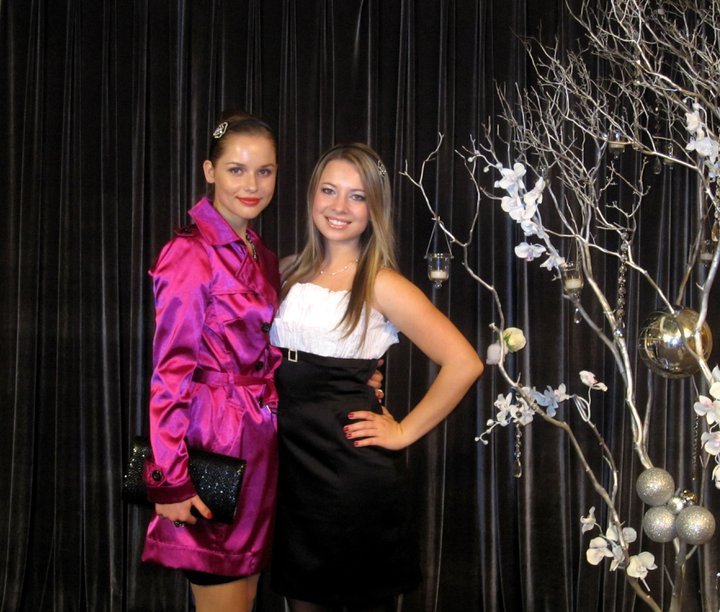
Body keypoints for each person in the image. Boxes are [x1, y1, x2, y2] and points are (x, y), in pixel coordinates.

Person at [270, 143, 485, 612]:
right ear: (311, 195)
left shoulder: (381, 283)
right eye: (329, 191)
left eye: (357, 196)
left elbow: (464, 362)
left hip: (350, 478)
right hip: (293, 475)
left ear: (374, 209)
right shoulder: (285, 271)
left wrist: (403, 431)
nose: (339, 207)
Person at [140, 111, 282, 612]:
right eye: (236, 170)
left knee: (244, 595)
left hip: (258, 441)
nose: (252, 185)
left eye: (264, 171)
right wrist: (170, 479)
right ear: (210, 171)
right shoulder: (191, 253)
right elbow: (170, 373)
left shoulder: (259, 253)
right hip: (212, 440)